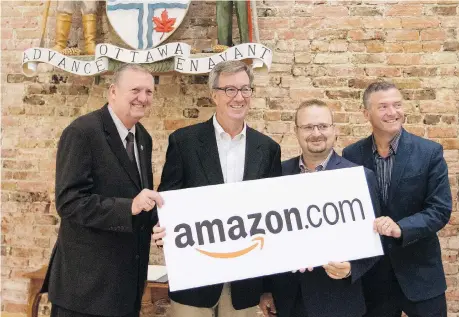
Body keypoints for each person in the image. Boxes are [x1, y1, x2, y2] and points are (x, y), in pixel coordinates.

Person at [152, 60, 282, 317]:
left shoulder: (267, 149)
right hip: (194, 279)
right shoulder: (184, 142)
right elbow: (167, 200)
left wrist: (268, 287)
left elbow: (272, 218)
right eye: (230, 90)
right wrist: (161, 228)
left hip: (244, 284)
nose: (239, 97)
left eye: (245, 89)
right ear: (214, 95)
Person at [41, 64, 164, 317]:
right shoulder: (82, 132)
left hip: (125, 288)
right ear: (113, 92)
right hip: (85, 291)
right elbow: (69, 202)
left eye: (149, 92)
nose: (143, 98)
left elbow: (139, 200)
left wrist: (161, 224)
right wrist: (128, 206)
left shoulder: (144, 138)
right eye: (135, 90)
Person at [259, 99, 382, 317]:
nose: (316, 133)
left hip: (338, 300)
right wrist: (266, 289)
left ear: (334, 130)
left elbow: (377, 239)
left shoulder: (359, 177)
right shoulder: (277, 175)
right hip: (288, 301)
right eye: (307, 127)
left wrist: (353, 268)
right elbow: (266, 236)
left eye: (323, 126)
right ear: (296, 132)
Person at [342, 81, 452, 317]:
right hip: (373, 279)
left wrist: (401, 228)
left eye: (397, 105)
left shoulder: (429, 152)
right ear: (366, 113)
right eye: (383, 106)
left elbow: (440, 210)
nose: (392, 112)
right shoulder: (351, 155)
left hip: (421, 275)